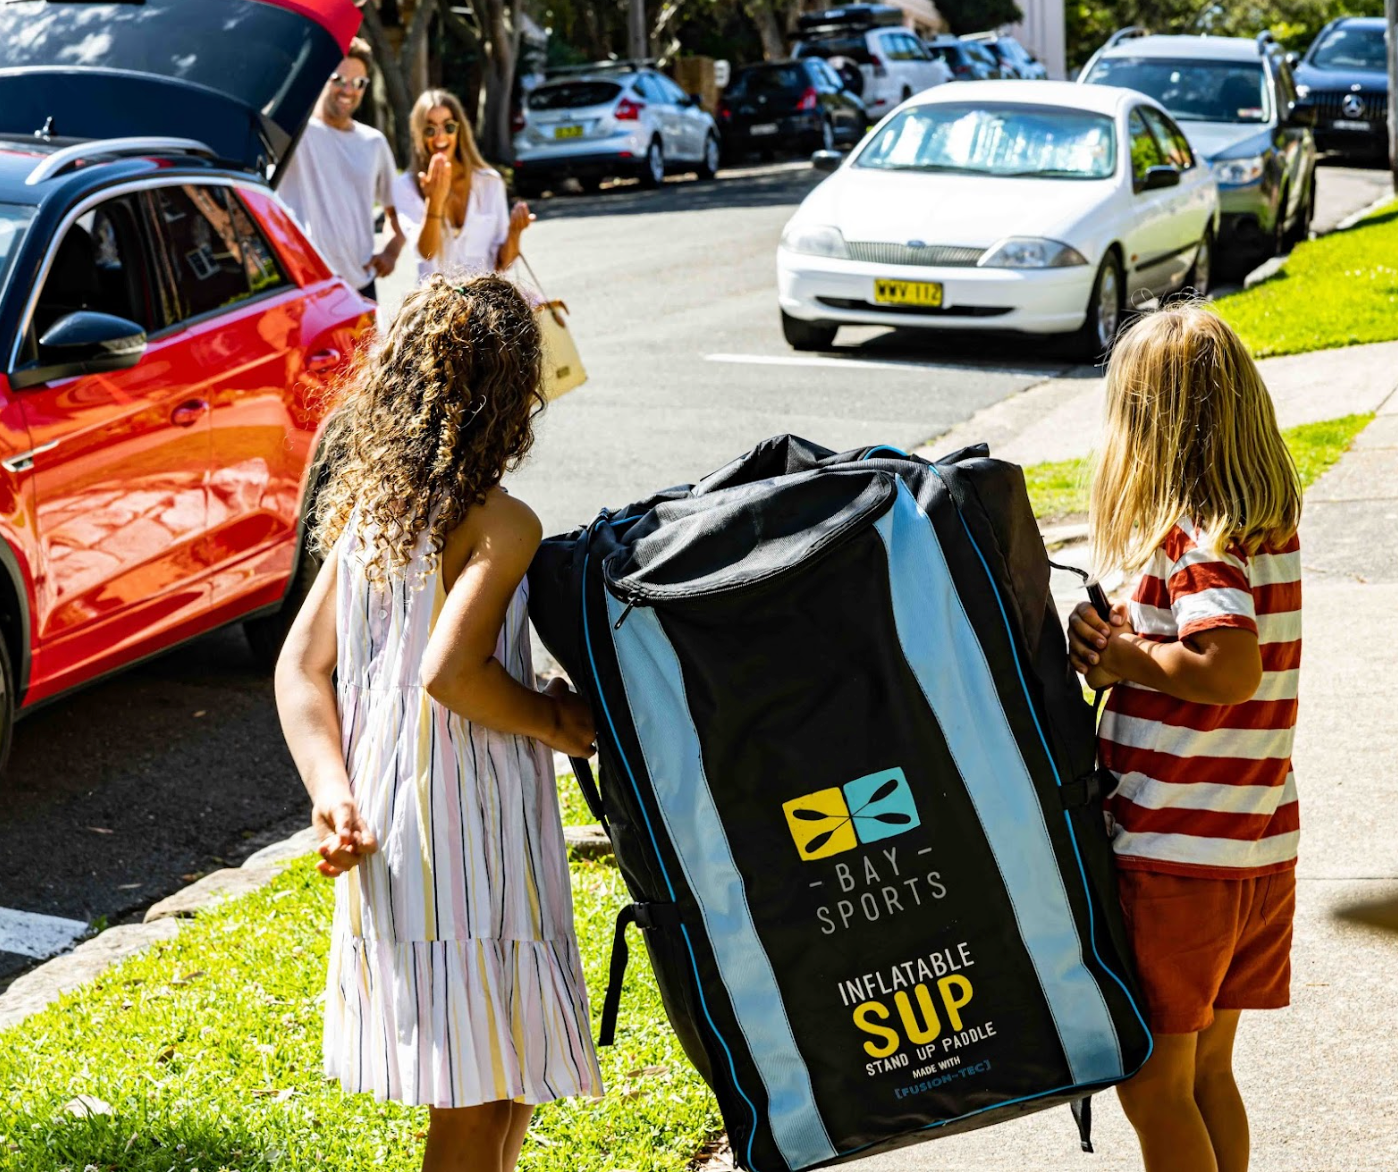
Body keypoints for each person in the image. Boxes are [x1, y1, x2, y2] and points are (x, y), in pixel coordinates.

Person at [274, 274, 603, 1172]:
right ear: (512, 395)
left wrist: (331, 795)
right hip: (468, 839)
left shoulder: (377, 519)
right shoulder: (503, 523)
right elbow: (450, 673)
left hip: (394, 826)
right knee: (477, 1101)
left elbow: (301, 667)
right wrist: (551, 718)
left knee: (502, 1086)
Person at [1066, 304, 1302, 1172]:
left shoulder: (1192, 539)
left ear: (1145, 425)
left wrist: (1127, 655)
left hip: (1178, 857)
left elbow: (1227, 667)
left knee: (1152, 1085)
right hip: (1252, 846)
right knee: (1208, 1074)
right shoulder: (1262, 533)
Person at [277, 38, 405, 300]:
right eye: (338, 79)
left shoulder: (373, 143)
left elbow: (398, 212)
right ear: (323, 78)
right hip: (304, 287)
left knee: (369, 344)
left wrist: (392, 251)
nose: (348, 90)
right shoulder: (295, 132)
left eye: (358, 83)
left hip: (360, 286)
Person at [392, 89, 533, 280]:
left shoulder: (489, 182)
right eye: (430, 129)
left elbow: (504, 264)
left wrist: (515, 232)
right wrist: (434, 202)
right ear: (419, 135)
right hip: (438, 305)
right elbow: (426, 254)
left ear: (460, 131)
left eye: (448, 127)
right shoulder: (406, 186)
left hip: (484, 304)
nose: (440, 137)